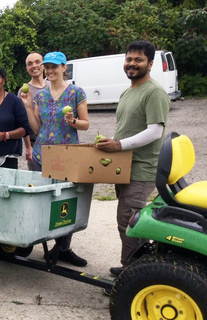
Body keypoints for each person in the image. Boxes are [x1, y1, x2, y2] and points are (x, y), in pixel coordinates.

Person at [96, 40, 170, 278]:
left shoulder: (154, 92)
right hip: (124, 167)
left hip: (142, 168)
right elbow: (128, 128)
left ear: (150, 63)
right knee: (127, 222)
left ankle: (135, 276)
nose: (132, 64)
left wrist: (119, 145)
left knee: (131, 223)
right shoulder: (128, 92)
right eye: (129, 59)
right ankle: (133, 265)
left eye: (138, 60)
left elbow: (155, 131)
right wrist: (113, 141)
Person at [24, 51, 90, 267]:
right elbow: (36, 127)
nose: (50, 70)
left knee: (66, 202)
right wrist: (26, 105)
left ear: (64, 68)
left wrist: (73, 121)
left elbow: (86, 123)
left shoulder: (76, 93)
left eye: (55, 66)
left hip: (67, 155)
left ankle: (63, 247)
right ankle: (48, 243)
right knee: (45, 200)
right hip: (42, 154)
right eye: (48, 67)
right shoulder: (40, 96)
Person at [17, 53, 50, 170]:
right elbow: (22, 122)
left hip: (55, 143)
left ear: (43, 65)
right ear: (27, 68)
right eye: (29, 64)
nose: (34, 66)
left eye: (37, 62)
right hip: (35, 143)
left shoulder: (53, 86)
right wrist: (28, 147)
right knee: (37, 182)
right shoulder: (23, 91)